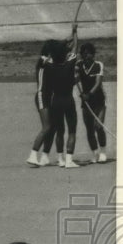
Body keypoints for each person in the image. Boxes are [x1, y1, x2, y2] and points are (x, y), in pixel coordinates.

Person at [46, 35, 80, 168]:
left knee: (59, 131)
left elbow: (53, 49)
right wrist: (75, 32)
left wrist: (65, 40)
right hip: (68, 100)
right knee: (72, 130)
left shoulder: (49, 65)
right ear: (65, 54)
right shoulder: (69, 64)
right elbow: (75, 49)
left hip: (56, 101)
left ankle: (60, 159)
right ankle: (69, 160)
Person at [76, 41, 108, 164]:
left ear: (93, 54)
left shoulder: (98, 65)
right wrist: (74, 74)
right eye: (84, 54)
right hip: (86, 102)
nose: (86, 56)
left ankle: (103, 153)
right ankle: (95, 153)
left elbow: (98, 83)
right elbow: (76, 78)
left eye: (88, 54)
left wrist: (89, 94)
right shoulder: (79, 64)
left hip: (98, 100)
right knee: (89, 129)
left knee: (98, 127)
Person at [26, 40, 56, 167]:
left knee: (52, 127)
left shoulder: (51, 62)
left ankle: (45, 156)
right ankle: (32, 155)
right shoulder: (42, 60)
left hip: (49, 97)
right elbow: (45, 63)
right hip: (41, 96)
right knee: (46, 127)